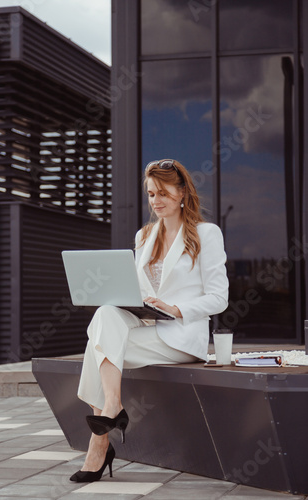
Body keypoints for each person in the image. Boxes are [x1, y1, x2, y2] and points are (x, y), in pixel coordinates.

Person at [70, 159, 229, 483]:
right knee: (105, 314)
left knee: (98, 345)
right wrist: (133, 301)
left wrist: (173, 308)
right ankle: (113, 405)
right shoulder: (145, 236)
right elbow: (140, 289)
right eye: (151, 194)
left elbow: (219, 298)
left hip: (181, 336)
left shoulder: (205, 234)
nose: (156, 201)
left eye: (163, 193)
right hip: (144, 327)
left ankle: (99, 443)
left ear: (182, 191)